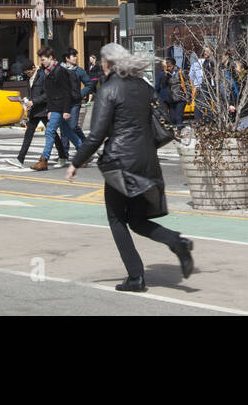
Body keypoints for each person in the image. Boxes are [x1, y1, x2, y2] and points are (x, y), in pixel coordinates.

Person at [66, 43, 194, 293]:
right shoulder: (144, 87)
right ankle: (177, 242)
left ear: (108, 64)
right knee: (136, 219)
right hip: (147, 159)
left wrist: (75, 162)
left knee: (116, 219)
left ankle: (136, 277)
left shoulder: (109, 89)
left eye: (103, 62)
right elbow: (161, 120)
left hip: (120, 163)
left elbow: (97, 135)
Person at [30, 47, 85, 171]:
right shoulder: (46, 72)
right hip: (54, 107)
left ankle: (44, 160)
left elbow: (66, 92)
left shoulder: (60, 71)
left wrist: (66, 110)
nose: (42, 62)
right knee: (66, 131)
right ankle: (84, 153)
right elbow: (49, 93)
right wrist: (49, 110)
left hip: (61, 106)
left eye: (43, 59)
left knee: (50, 131)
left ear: (50, 58)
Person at [14, 64, 55, 168]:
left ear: (33, 68)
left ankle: (63, 154)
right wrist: (28, 100)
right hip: (35, 111)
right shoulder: (30, 79)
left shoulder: (42, 75)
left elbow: (46, 94)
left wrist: (34, 101)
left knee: (52, 133)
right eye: (25, 73)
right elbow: (34, 93)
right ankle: (20, 158)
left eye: (28, 71)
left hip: (43, 110)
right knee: (28, 134)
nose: (27, 74)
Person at [58, 47, 94, 159]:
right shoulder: (59, 70)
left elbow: (89, 84)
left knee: (72, 126)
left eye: (76, 55)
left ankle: (85, 146)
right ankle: (64, 153)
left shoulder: (79, 71)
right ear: (67, 58)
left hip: (75, 103)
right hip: (63, 103)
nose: (76, 58)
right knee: (64, 127)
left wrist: (81, 94)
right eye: (74, 56)